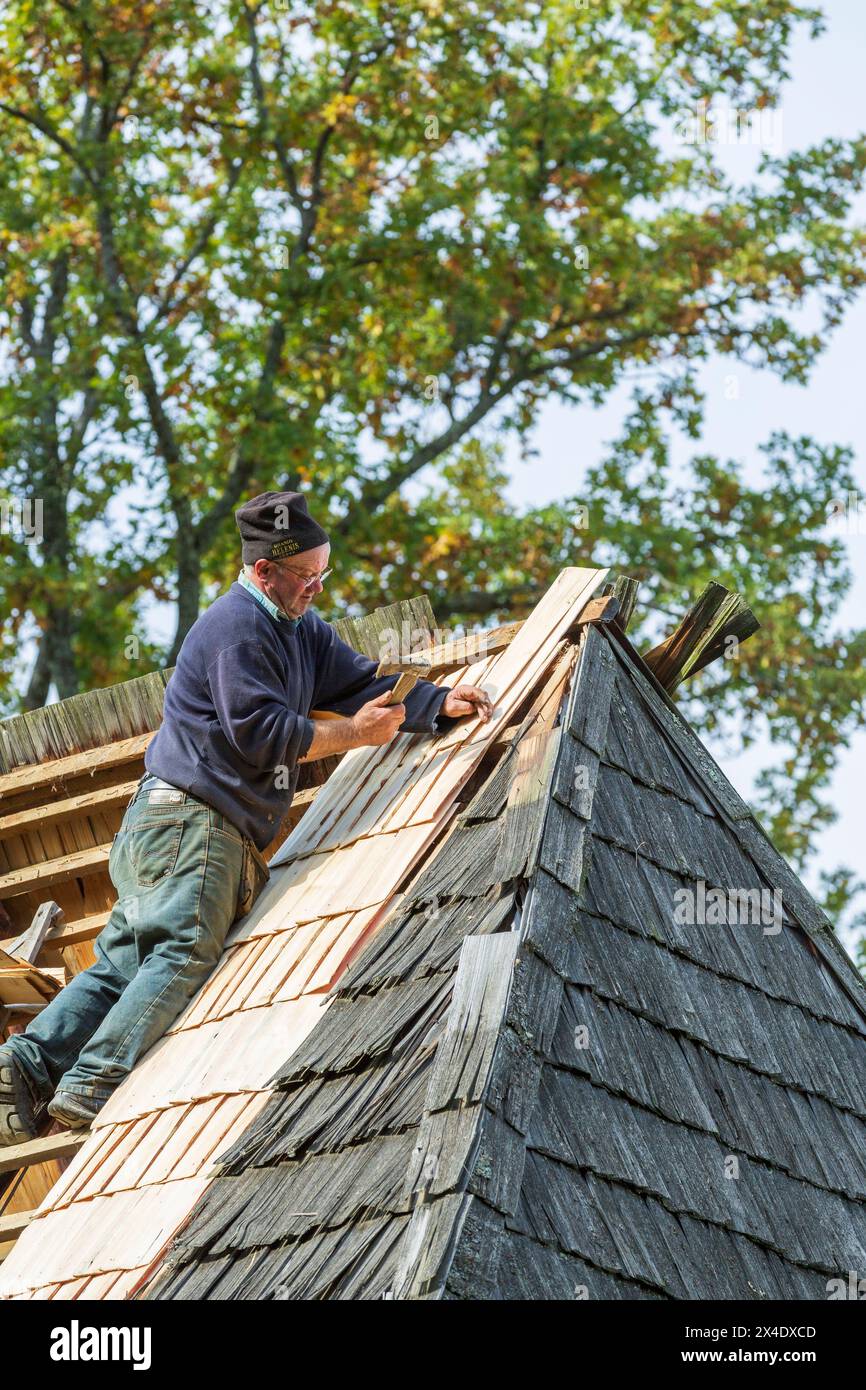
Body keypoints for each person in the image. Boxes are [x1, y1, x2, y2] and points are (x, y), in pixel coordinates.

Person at [0, 491, 491, 1143]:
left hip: (169, 825)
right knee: (183, 947)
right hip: (191, 824)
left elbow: (359, 681)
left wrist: (434, 700)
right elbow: (257, 733)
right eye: (305, 577)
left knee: (125, 963)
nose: (317, 588)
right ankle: (92, 1081)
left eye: (324, 575)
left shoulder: (299, 629)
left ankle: (24, 1067)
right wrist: (352, 737)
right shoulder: (234, 627)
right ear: (265, 571)